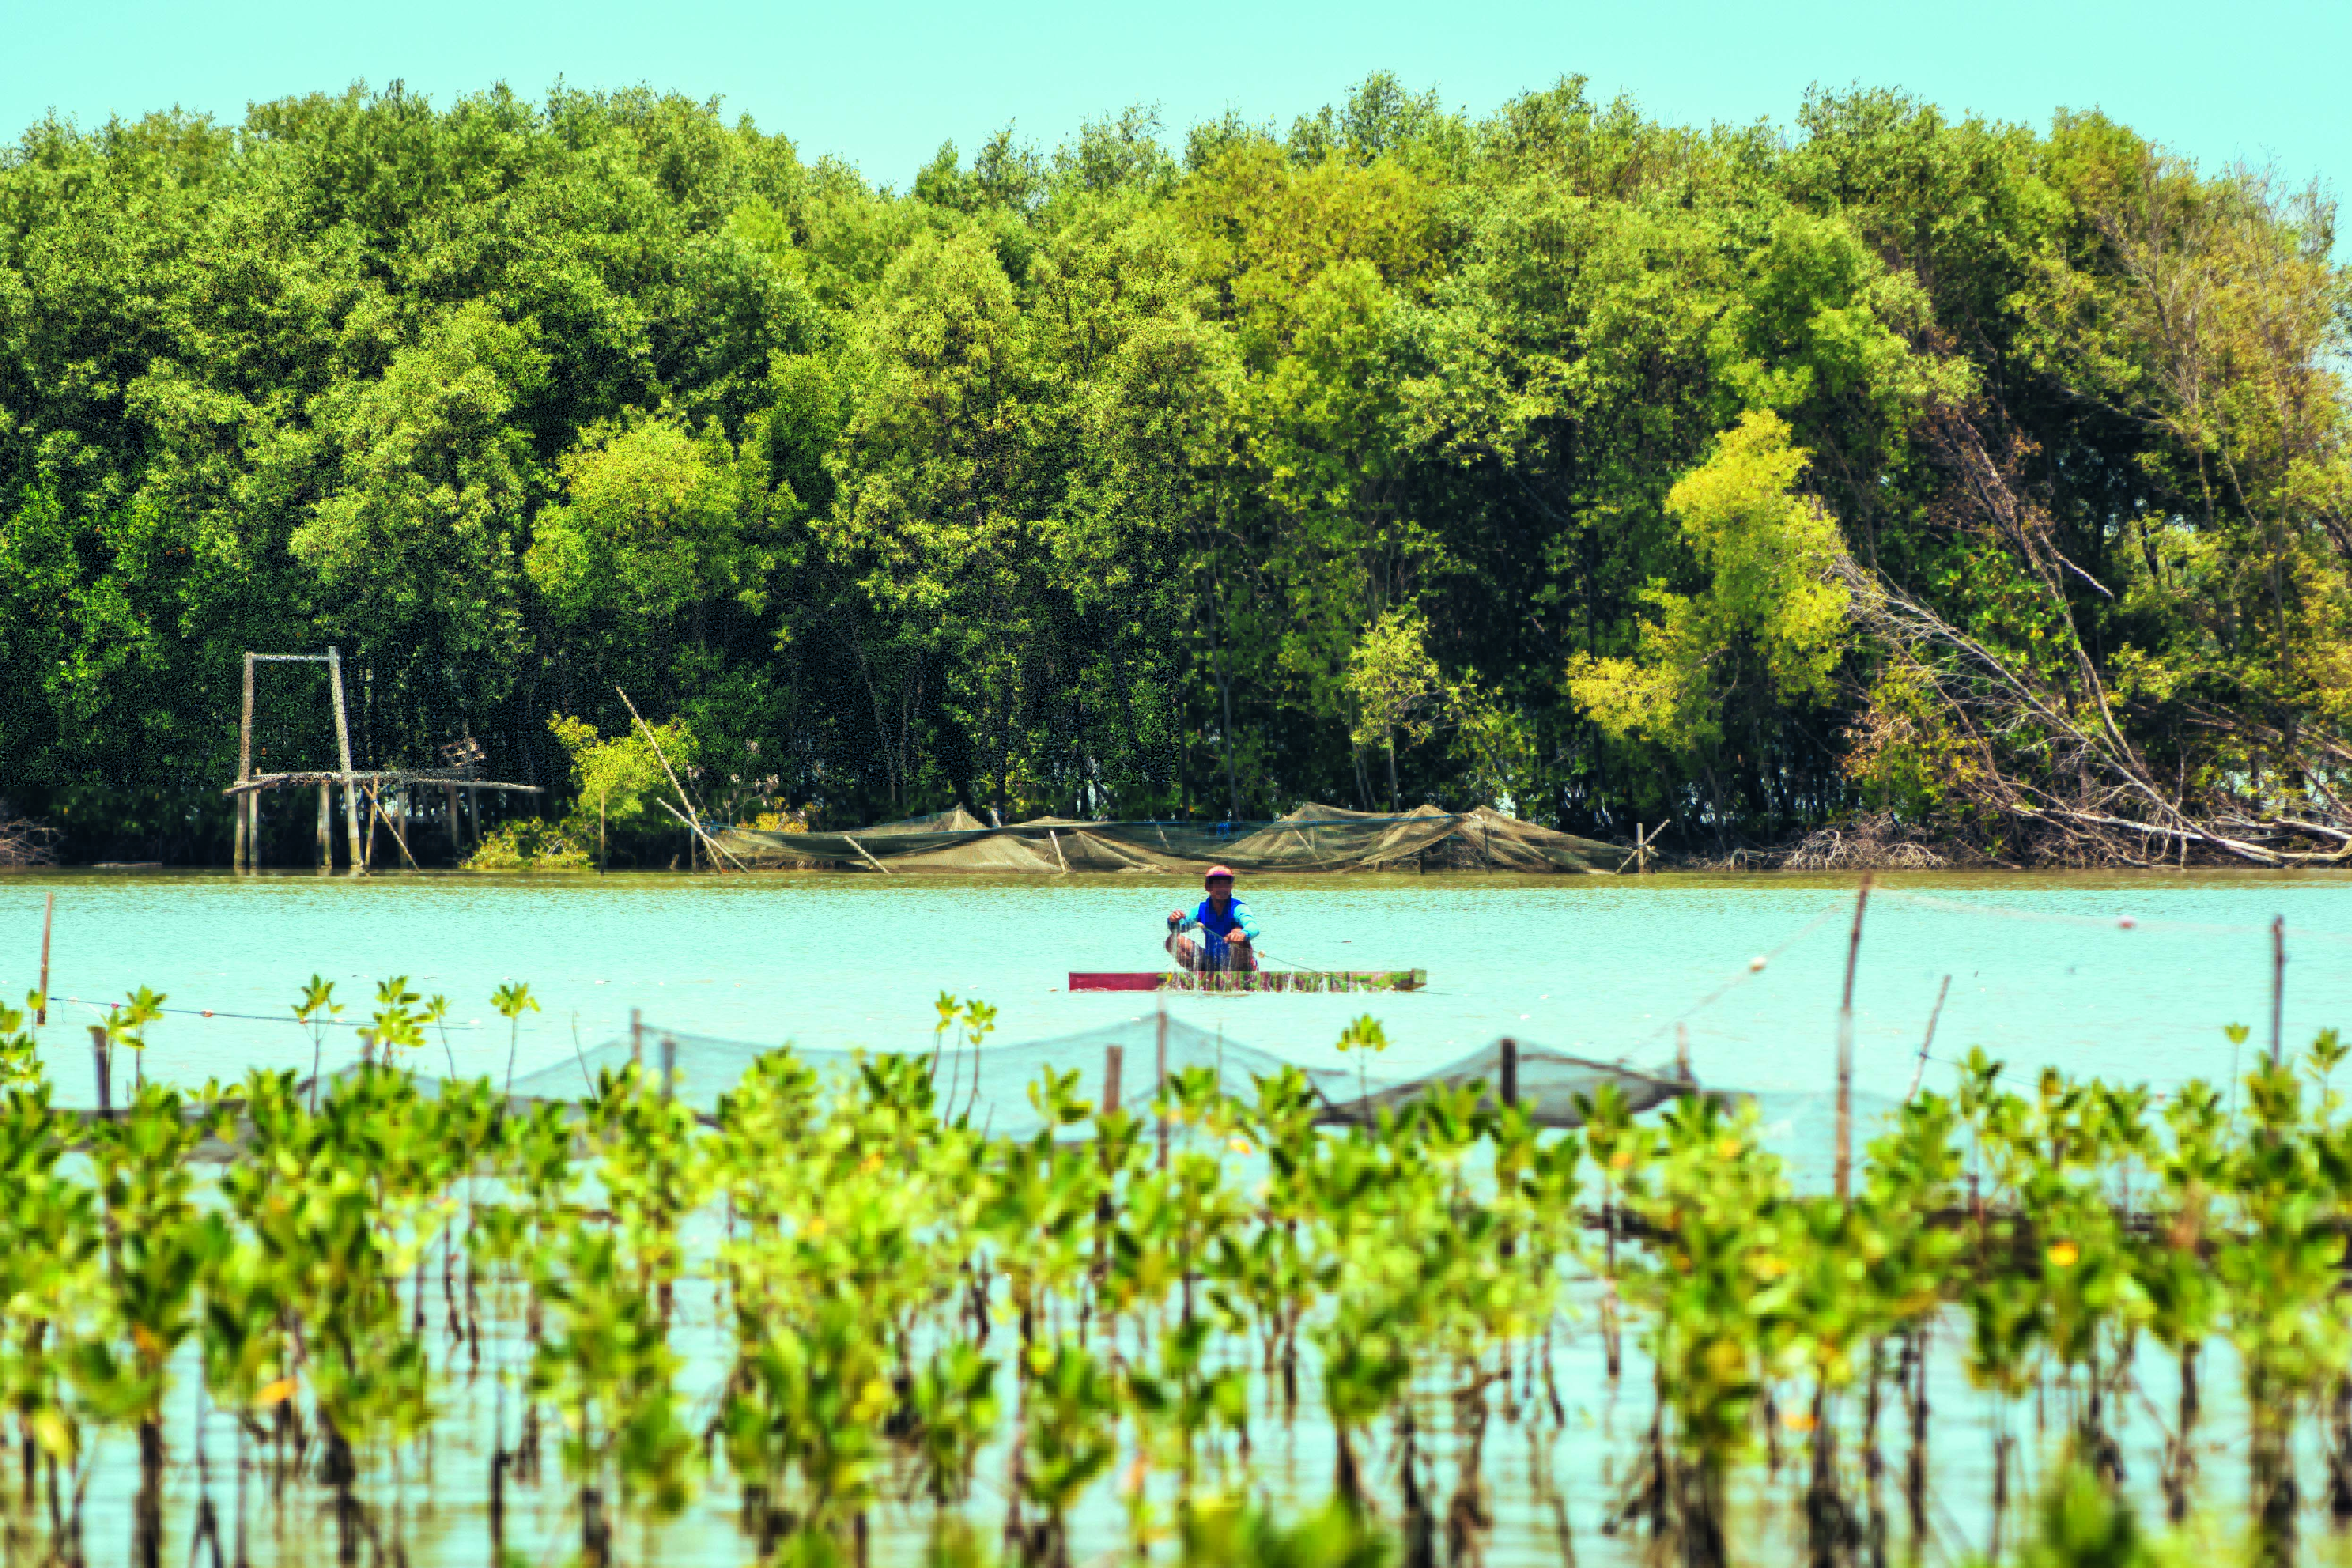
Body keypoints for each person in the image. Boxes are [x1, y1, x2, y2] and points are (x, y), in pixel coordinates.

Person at [1167, 865, 1260, 972]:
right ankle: (1201, 975)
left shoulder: (1238, 908)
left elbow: (1253, 927)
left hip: (1238, 963)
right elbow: (1180, 928)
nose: (1223, 889)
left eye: (1227, 884)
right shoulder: (1200, 910)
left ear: (1231, 887)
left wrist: (1242, 935)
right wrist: (1173, 921)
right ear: (1208, 887)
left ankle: (1239, 975)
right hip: (1211, 961)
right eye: (1218, 884)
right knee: (1172, 941)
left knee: (1237, 931)